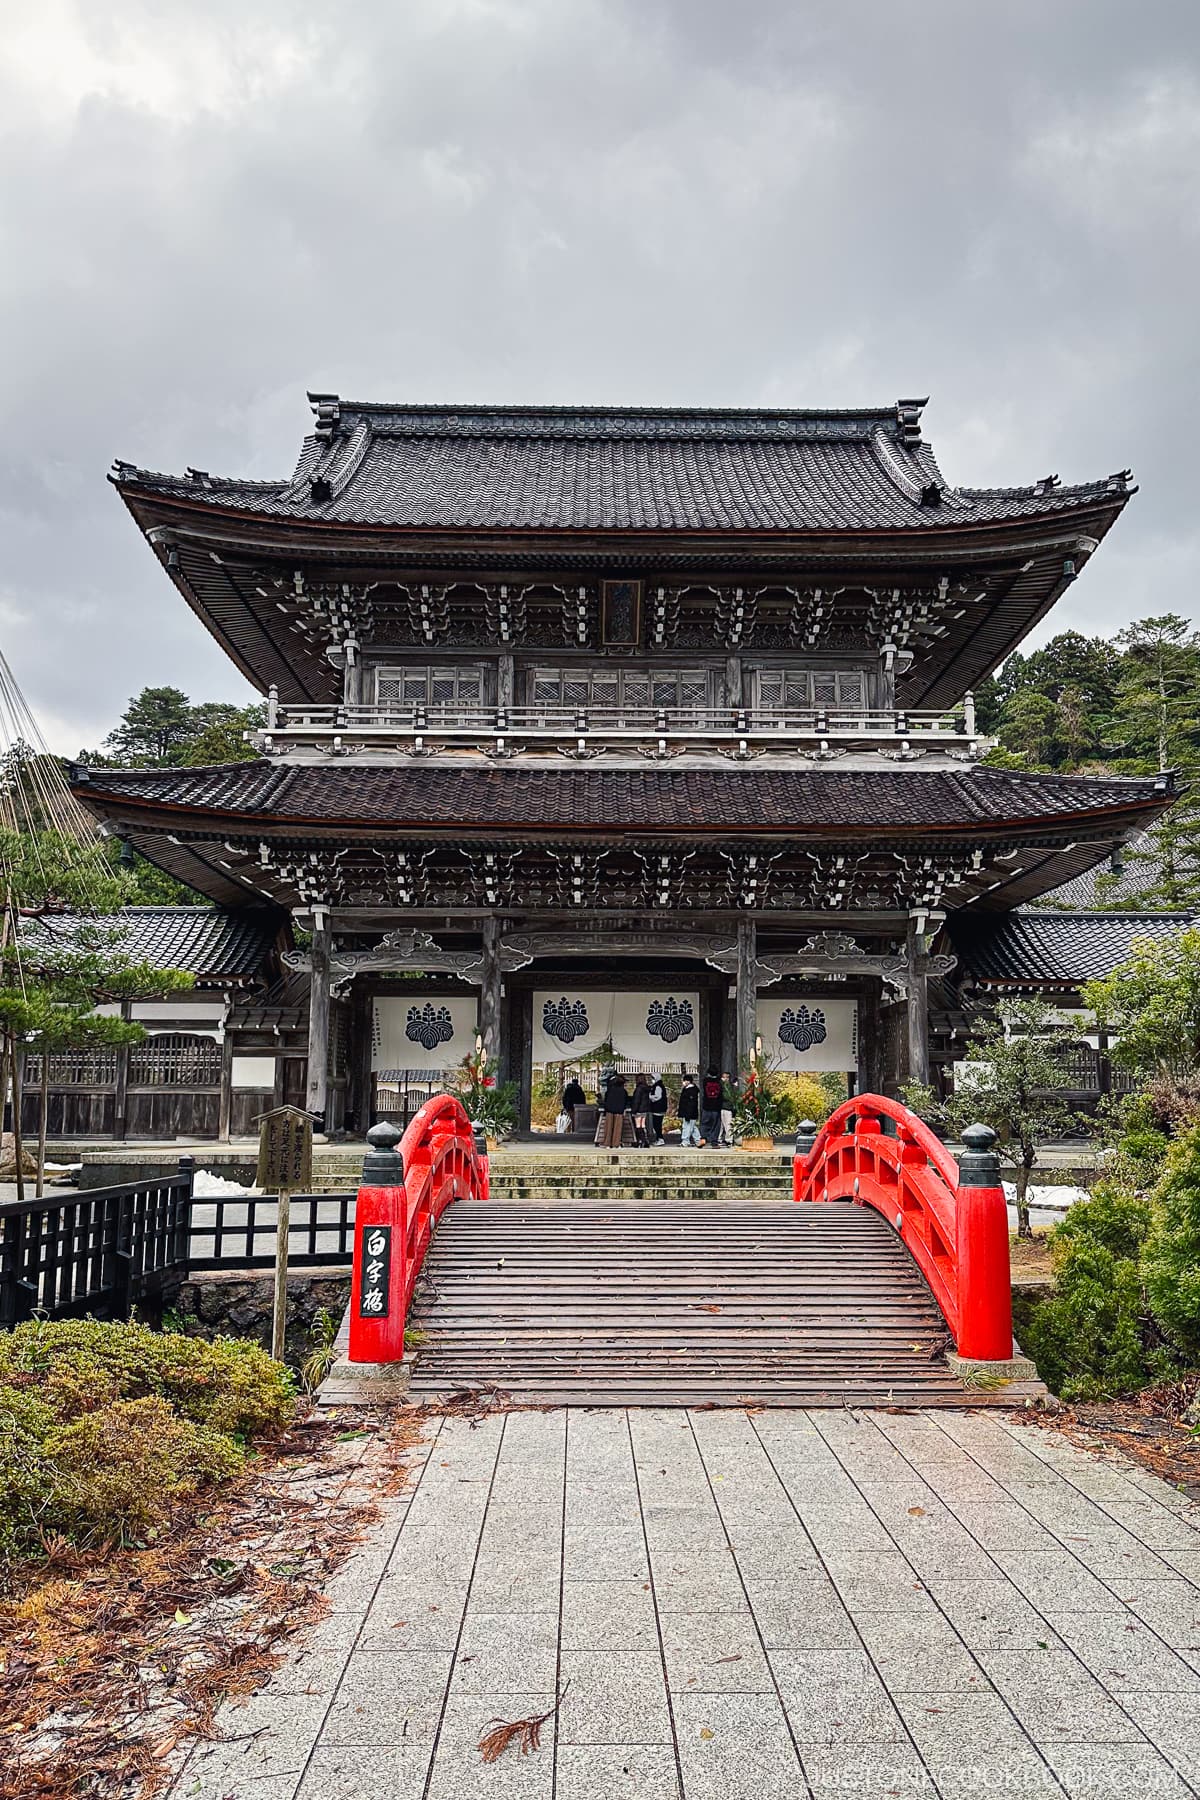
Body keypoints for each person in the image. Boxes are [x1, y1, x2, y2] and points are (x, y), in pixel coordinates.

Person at [600, 1071, 630, 1147]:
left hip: (609, 1111)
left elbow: (606, 1100)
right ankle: (616, 1143)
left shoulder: (609, 1091)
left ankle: (607, 1143)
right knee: (618, 1128)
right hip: (619, 1112)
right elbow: (626, 1101)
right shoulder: (623, 1091)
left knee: (608, 1127)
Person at [700, 1065, 725, 1148]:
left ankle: (703, 1138)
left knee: (704, 1123)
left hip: (706, 1106)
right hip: (716, 1107)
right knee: (716, 1125)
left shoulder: (705, 1081)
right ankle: (714, 1142)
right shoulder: (719, 1082)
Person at [678, 1073, 701, 1146]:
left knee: (687, 1127)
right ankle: (698, 1140)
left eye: (684, 1080)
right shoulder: (686, 1089)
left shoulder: (692, 1091)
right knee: (693, 1127)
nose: (683, 1082)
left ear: (688, 1081)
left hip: (690, 1113)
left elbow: (691, 1104)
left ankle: (685, 1141)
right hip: (687, 1112)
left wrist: (688, 1113)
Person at [630, 1072, 652, 1148]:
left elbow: (636, 1101)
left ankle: (640, 1141)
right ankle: (646, 1141)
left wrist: (634, 1111)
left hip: (639, 1110)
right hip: (645, 1109)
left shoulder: (638, 1089)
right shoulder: (646, 1089)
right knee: (643, 1125)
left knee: (638, 1126)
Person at [647, 1073, 668, 1143]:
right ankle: (659, 1138)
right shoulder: (658, 1086)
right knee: (657, 1124)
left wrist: (650, 1097)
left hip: (658, 1108)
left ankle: (660, 1138)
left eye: (652, 1078)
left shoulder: (658, 1086)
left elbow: (657, 1097)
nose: (652, 1080)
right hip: (660, 1108)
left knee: (657, 1125)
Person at [719, 1070, 735, 1148]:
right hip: (721, 1107)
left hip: (728, 1107)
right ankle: (720, 1139)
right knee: (721, 1125)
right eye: (724, 1077)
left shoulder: (730, 1087)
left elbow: (729, 1097)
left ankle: (729, 1140)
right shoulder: (721, 1085)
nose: (725, 1079)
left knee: (728, 1124)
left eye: (727, 1077)